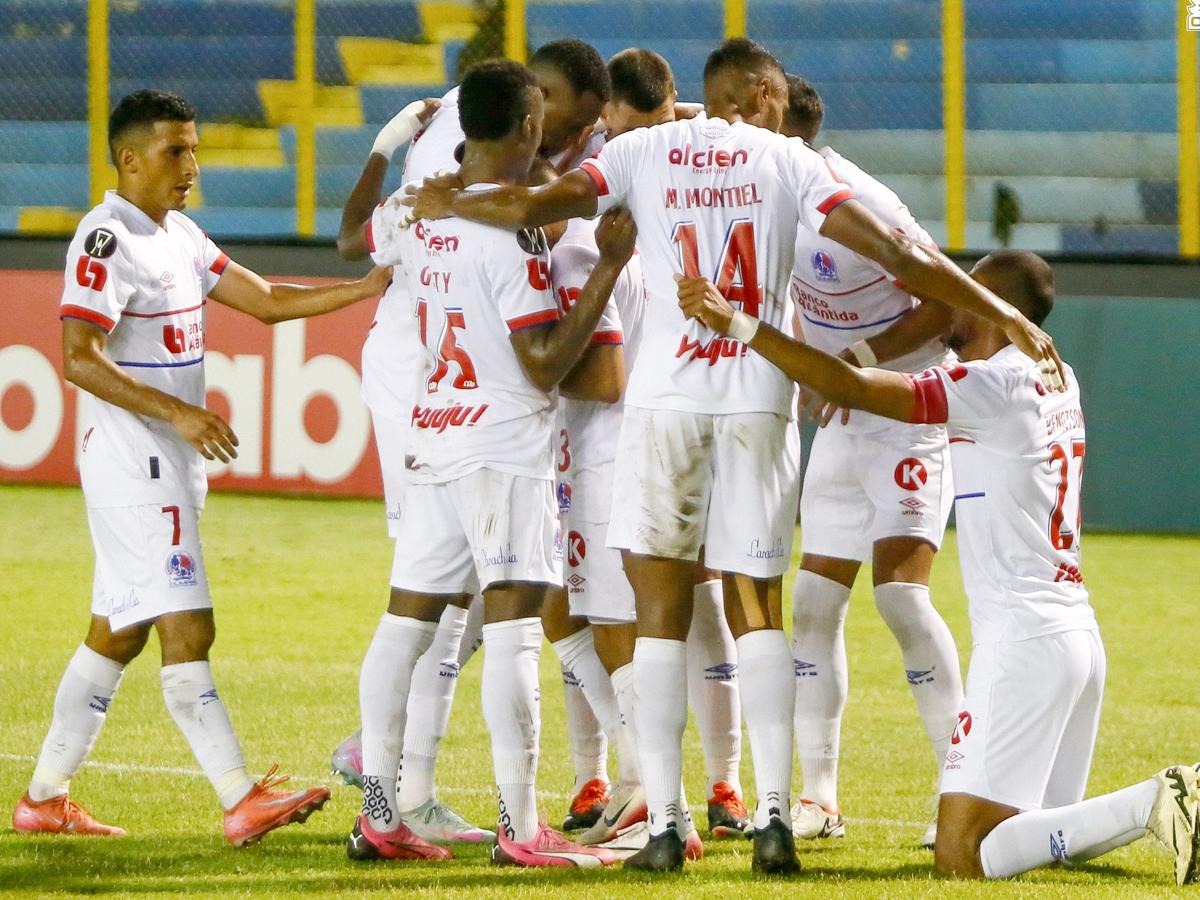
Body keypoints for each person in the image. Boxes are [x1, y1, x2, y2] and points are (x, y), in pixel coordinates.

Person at [404, 37, 1063, 875]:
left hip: (665, 403)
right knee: (758, 609)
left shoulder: (642, 149)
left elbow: (548, 202)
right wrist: (1004, 316)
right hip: (756, 399)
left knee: (659, 612)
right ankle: (778, 819)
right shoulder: (787, 161)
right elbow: (908, 258)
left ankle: (668, 826)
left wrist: (456, 197)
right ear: (755, 96)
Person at [677, 248, 1200, 886]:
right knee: (1033, 835)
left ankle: (1156, 799)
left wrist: (740, 325)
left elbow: (849, 390)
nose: (943, 309)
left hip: (1025, 645)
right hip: (1077, 640)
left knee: (963, 855)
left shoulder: (993, 386)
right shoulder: (1055, 372)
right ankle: (1164, 807)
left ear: (992, 306)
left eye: (960, 296)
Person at [11, 89, 390, 845]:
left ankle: (44, 799)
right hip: (134, 463)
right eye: (176, 150)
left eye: (194, 148)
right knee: (189, 627)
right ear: (129, 158)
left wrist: (367, 288)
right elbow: (77, 359)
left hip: (166, 465)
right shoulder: (106, 238)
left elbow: (271, 301)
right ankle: (239, 796)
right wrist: (178, 412)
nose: (192, 164)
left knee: (116, 634)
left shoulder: (177, 233)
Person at [331, 39, 633, 839]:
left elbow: (357, 233)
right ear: (532, 123)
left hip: (431, 431)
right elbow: (542, 366)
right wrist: (604, 271)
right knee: (512, 631)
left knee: (405, 624)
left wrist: (387, 151)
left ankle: (381, 816)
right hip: (502, 446)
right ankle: (520, 826)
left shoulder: (417, 209)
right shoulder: (513, 238)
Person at [778, 75, 963, 846]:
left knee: (902, 601)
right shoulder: (762, 193)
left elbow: (946, 302)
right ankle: (819, 799)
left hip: (904, 413)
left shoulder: (862, 203)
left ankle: (962, 791)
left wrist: (857, 356)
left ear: (776, 123)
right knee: (814, 608)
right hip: (843, 421)